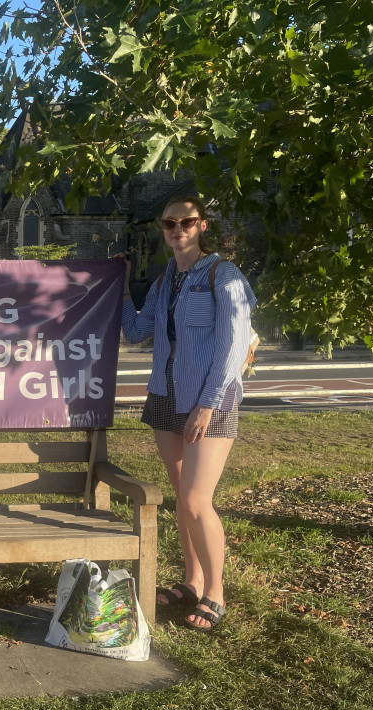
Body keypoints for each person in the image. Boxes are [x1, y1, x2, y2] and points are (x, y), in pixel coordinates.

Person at [117, 196, 256, 631]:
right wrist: (121, 287)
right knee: (182, 496)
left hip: (207, 400)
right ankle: (193, 580)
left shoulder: (223, 276)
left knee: (197, 500)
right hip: (164, 396)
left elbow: (232, 349)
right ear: (162, 229)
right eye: (169, 223)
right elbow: (137, 331)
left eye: (187, 222)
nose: (178, 229)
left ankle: (216, 592)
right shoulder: (163, 283)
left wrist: (208, 403)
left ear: (202, 226)